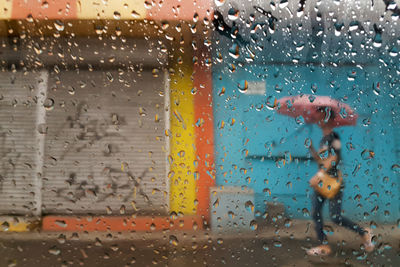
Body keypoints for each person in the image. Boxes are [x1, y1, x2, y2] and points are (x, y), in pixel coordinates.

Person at [306, 107, 375, 256]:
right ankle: (324, 245)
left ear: (329, 119)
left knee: (336, 217)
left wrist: (319, 175)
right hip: (323, 181)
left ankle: (364, 233)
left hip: (333, 182)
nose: (318, 120)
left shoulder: (333, 137)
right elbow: (322, 160)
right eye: (318, 117)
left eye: (321, 117)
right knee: (316, 212)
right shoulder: (323, 139)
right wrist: (312, 150)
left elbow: (334, 158)